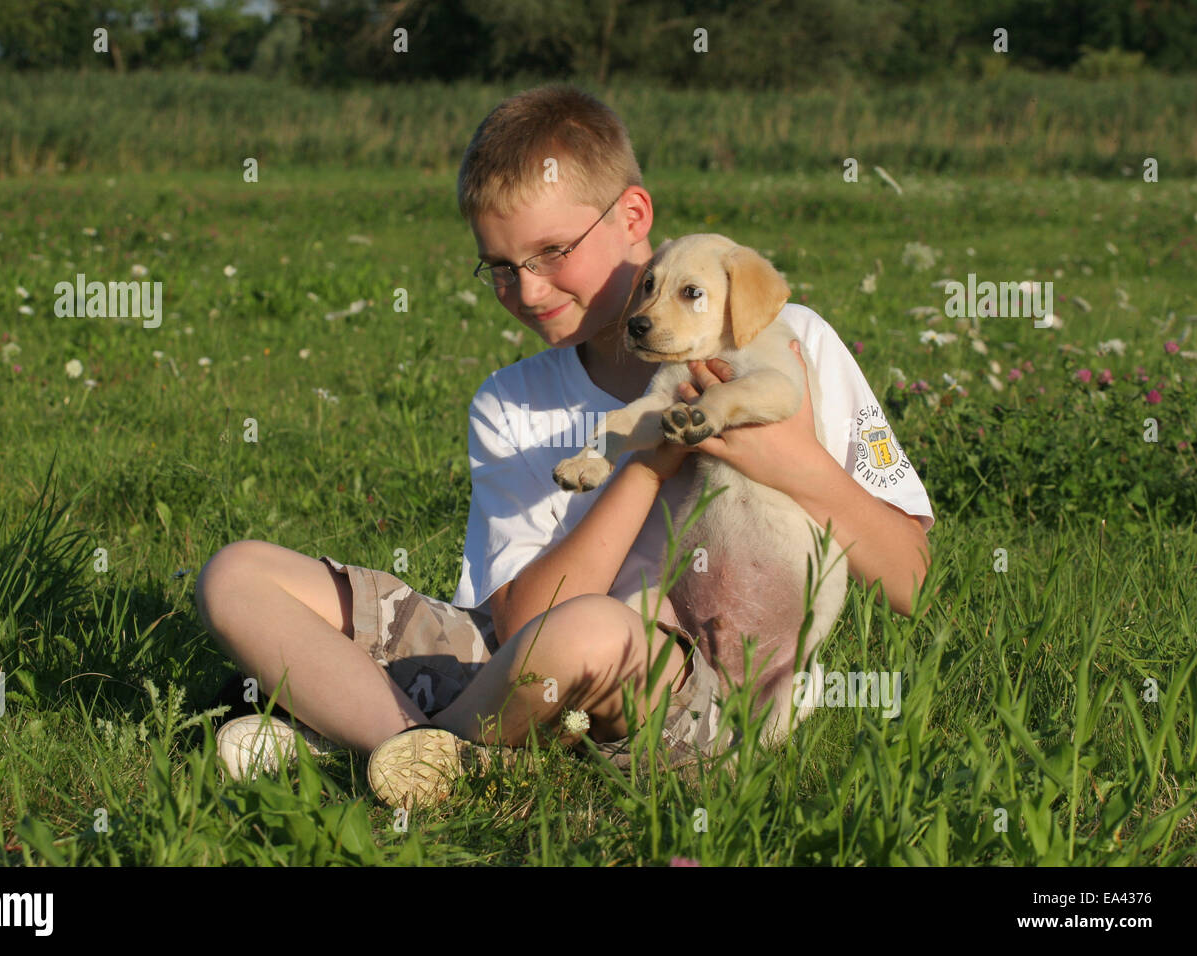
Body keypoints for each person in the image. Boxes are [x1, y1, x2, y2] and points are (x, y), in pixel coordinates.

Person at [195, 83, 934, 807]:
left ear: (634, 215)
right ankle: (414, 749)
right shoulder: (510, 401)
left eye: (553, 250)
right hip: (515, 655)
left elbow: (910, 579)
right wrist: (651, 455)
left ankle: (375, 749)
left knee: (587, 631)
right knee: (237, 574)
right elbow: (515, 624)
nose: (529, 288)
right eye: (502, 267)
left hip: (672, 679)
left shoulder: (793, 342)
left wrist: (788, 456)